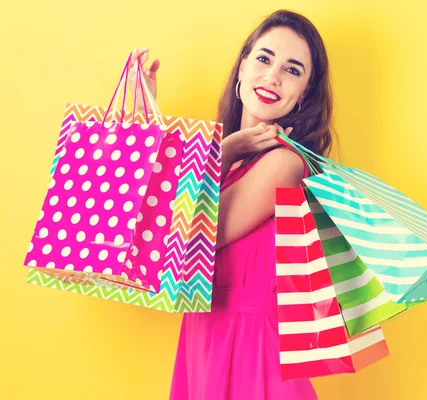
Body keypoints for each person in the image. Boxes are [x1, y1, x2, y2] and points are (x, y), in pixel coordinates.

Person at [130, 9, 334, 400]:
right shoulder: (227, 165)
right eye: (263, 58)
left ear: (304, 92)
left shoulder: (285, 164)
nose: (272, 77)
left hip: (252, 358)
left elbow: (184, 236)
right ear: (241, 68)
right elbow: (146, 223)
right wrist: (145, 118)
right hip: (203, 343)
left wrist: (222, 150)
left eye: (293, 70)